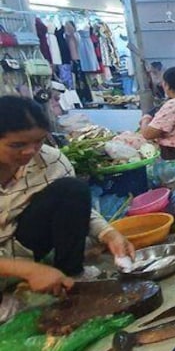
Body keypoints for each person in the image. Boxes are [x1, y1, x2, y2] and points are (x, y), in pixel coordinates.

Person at [0, 97, 134, 293]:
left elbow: (75, 205)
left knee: (72, 189)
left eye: (38, 141)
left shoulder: (50, 160)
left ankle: (70, 276)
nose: (30, 151)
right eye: (17, 145)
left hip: (23, 245)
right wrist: (28, 271)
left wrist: (109, 234)